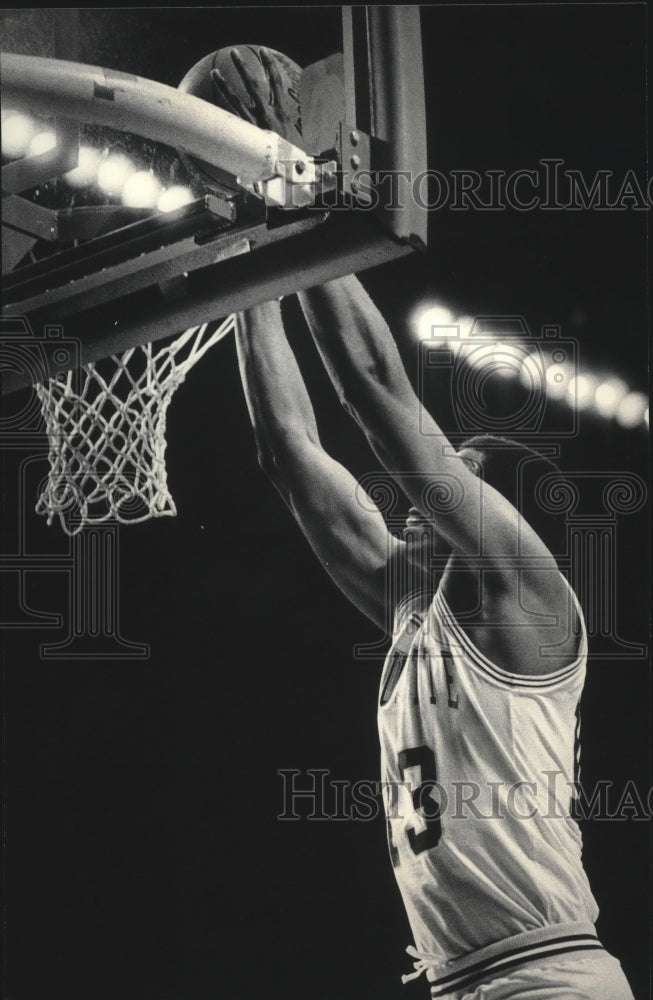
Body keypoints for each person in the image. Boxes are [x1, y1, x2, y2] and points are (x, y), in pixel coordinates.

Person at [213, 48, 636, 1000]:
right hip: (466, 982)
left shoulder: (521, 593)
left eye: (461, 467)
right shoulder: (416, 605)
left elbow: (375, 393)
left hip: (547, 979)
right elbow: (287, 454)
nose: (422, 487)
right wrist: (248, 264)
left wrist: (291, 192)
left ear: (495, 515)